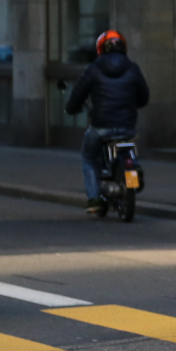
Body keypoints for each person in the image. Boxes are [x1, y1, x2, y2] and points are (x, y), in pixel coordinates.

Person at [66, 30, 150, 215]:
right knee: (128, 146)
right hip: (127, 126)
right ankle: (133, 170)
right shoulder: (133, 68)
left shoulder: (94, 69)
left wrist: (71, 108)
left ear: (100, 49)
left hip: (101, 126)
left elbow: (78, 94)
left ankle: (95, 198)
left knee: (88, 157)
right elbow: (144, 97)